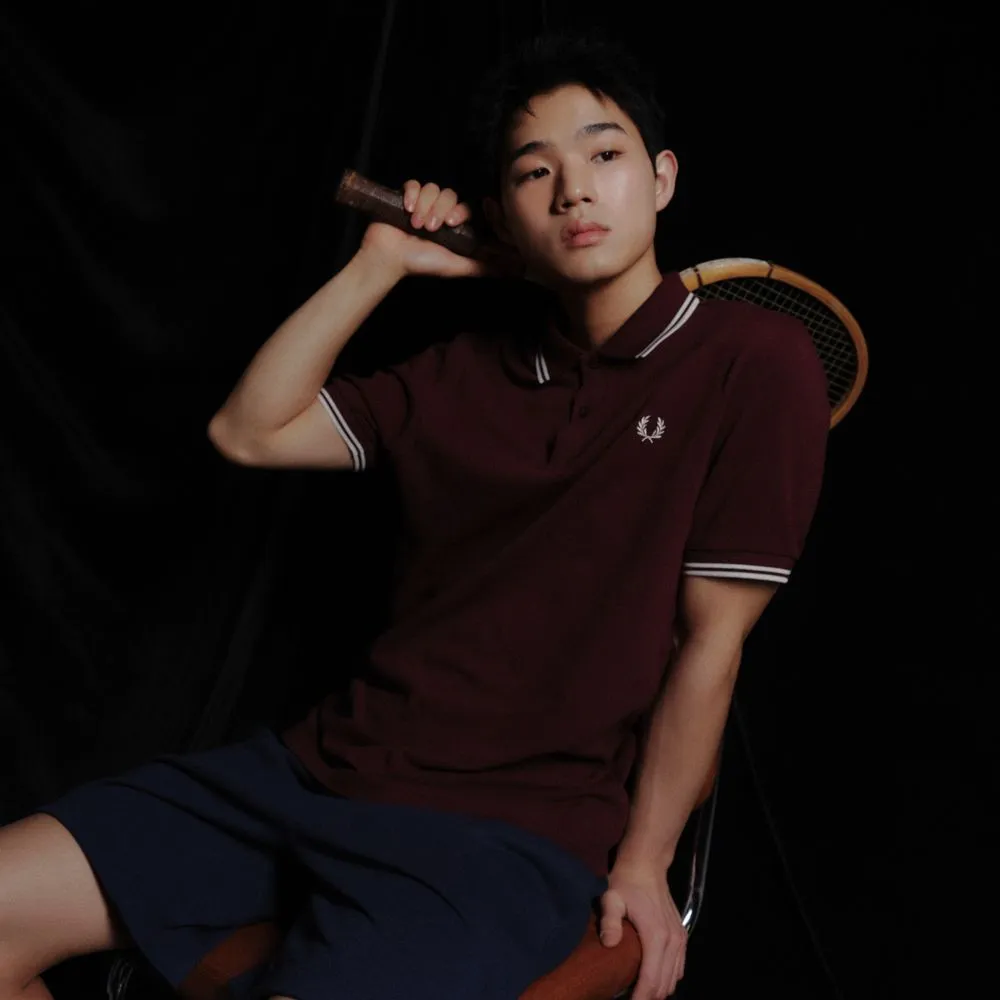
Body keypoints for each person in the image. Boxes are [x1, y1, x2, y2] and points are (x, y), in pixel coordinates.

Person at [0, 29, 829, 1000]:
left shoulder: (752, 361)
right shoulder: (456, 375)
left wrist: (646, 863)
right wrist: (382, 264)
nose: (573, 190)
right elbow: (249, 431)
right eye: (534, 171)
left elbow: (709, 648)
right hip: (316, 776)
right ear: (502, 215)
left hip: (505, 836)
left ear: (662, 178)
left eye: (604, 154)